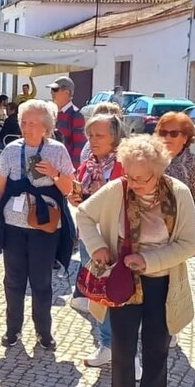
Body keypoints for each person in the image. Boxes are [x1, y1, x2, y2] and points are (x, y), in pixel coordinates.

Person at [76, 134, 195, 387]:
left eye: (141, 179)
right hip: (123, 282)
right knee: (122, 351)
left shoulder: (178, 193)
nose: (133, 184)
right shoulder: (117, 189)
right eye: (129, 176)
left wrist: (147, 260)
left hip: (162, 283)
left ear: (158, 172)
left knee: (157, 351)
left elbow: (188, 244)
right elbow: (84, 214)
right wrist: (97, 247)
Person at [0, 99, 75, 350]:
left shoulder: (58, 150)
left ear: (46, 127)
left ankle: (43, 332)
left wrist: (54, 173)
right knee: (13, 280)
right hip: (13, 225)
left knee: (41, 282)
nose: (26, 128)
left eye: (33, 123)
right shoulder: (11, 149)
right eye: (24, 122)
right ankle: (12, 329)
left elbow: (68, 190)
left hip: (44, 227)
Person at [69, 113, 124, 369]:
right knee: (99, 293)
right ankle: (107, 344)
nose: (93, 140)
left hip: (117, 237)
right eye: (90, 135)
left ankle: (125, 350)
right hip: (90, 237)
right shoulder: (88, 165)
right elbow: (80, 198)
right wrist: (75, 198)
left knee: (120, 294)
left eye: (99, 135)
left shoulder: (125, 164)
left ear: (115, 137)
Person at [156, 112, 195, 254]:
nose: (167, 137)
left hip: (182, 233)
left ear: (185, 138)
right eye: (163, 133)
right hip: (153, 231)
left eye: (174, 133)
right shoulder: (151, 159)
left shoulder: (192, 164)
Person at [48, 76, 86, 169]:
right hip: (50, 167)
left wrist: (74, 171)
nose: (52, 93)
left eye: (55, 89)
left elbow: (79, 146)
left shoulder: (76, 115)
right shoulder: (52, 113)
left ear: (67, 92)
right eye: (51, 90)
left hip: (65, 169)